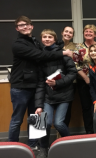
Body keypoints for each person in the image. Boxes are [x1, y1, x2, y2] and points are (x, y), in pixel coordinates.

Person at [8, 16, 71, 151]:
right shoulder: (18, 45)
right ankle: (11, 147)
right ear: (17, 28)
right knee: (17, 120)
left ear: (31, 26)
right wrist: (63, 52)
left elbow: (47, 52)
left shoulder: (35, 42)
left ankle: (33, 145)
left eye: (26, 24)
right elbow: (41, 56)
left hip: (36, 87)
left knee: (37, 118)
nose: (24, 27)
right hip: (20, 87)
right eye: (20, 25)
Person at [35, 29, 77, 158]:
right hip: (48, 96)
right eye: (44, 37)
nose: (47, 39)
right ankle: (43, 148)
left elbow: (73, 73)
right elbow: (40, 83)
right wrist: (38, 105)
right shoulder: (40, 56)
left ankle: (69, 143)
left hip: (64, 94)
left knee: (58, 123)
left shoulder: (64, 53)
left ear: (54, 39)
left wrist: (57, 83)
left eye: (50, 37)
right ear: (42, 39)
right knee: (42, 121)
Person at [73, 24, 96, 134]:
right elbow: (75, 64)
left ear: (95, 34)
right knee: (86, 107)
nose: (88, 33)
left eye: (91, 32)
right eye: (86, 32)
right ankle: (89, 131)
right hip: (83, 81)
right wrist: (85, 78)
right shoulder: (79, 47)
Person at [61, 26, 77, 129]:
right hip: (52, 82)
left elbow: (77, 64)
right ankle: (41, 142)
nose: (68, 34)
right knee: (45, 111)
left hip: (70, 82)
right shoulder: (54, 45)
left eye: (70, 32)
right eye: (66, 31)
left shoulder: (76, 47)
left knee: (66, 110)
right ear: (62, 32)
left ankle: (62, 136)